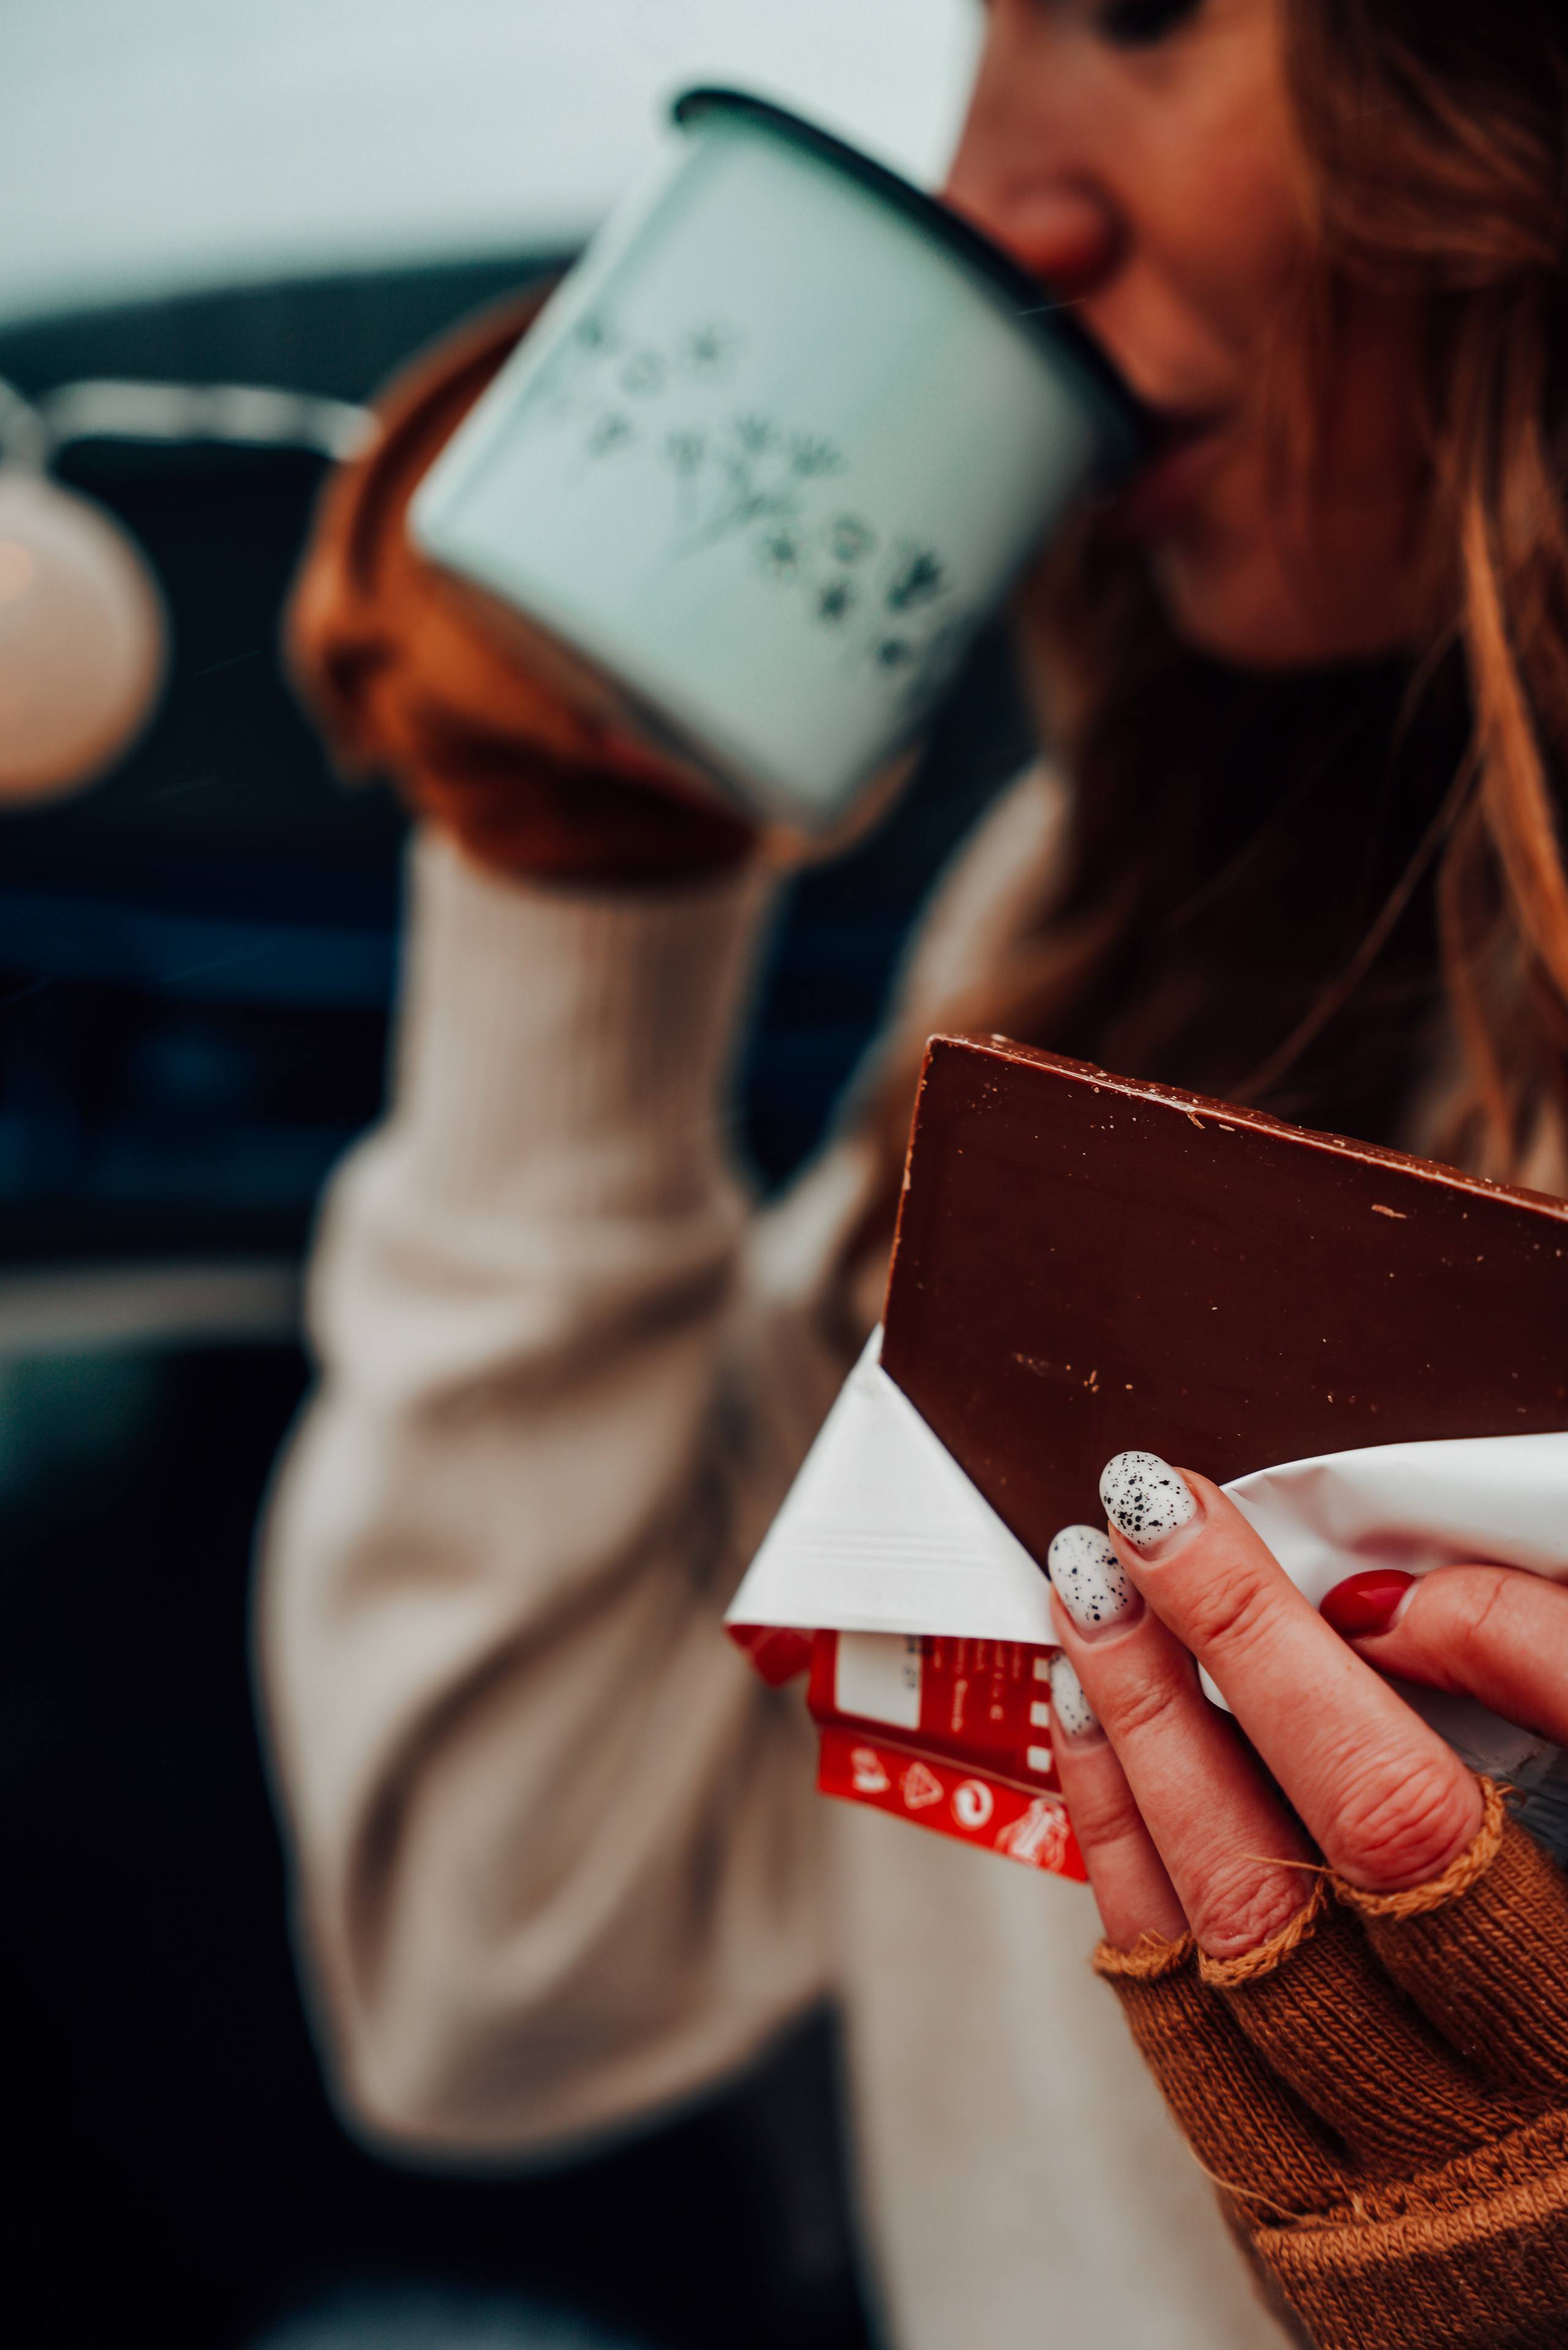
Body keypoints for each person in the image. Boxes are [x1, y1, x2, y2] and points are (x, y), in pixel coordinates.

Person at [258, 3, 1568, 2345]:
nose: (999, 207)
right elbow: (507, 1962)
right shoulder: (1099, 922)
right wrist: (581, 872)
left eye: (1140, 15)